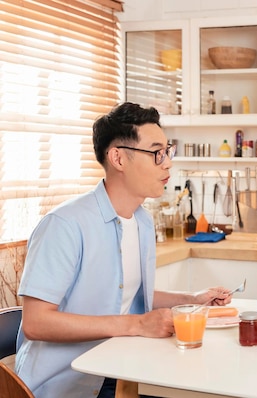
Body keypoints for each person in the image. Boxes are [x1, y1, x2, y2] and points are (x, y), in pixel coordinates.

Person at [15, 102, 232, 398]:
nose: (167, 163)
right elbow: (36, 322)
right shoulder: (65, 224)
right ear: (118, 157)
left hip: (118, 370)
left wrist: (192, 299)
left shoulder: (141, 221)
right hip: (63, 386)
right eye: (157, 152)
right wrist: (138, 324)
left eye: (168, 151)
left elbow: (125, 293)